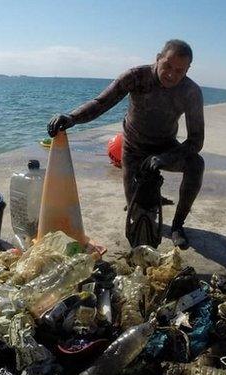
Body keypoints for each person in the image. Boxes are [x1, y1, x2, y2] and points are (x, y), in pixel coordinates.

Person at [47, 39, 204, 249]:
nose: (171, 75)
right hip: (134, 148)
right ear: (158, 59)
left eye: (179, 70)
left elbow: (196, 140)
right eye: (167, 66)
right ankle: (141, 201)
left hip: (166, 148)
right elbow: (101, 102)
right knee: (137, 220)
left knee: (196, 164)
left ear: (187, 70)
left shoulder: (191, 91)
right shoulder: (136, 77)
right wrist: (72, 117)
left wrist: (165, 158)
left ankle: (177, 225)